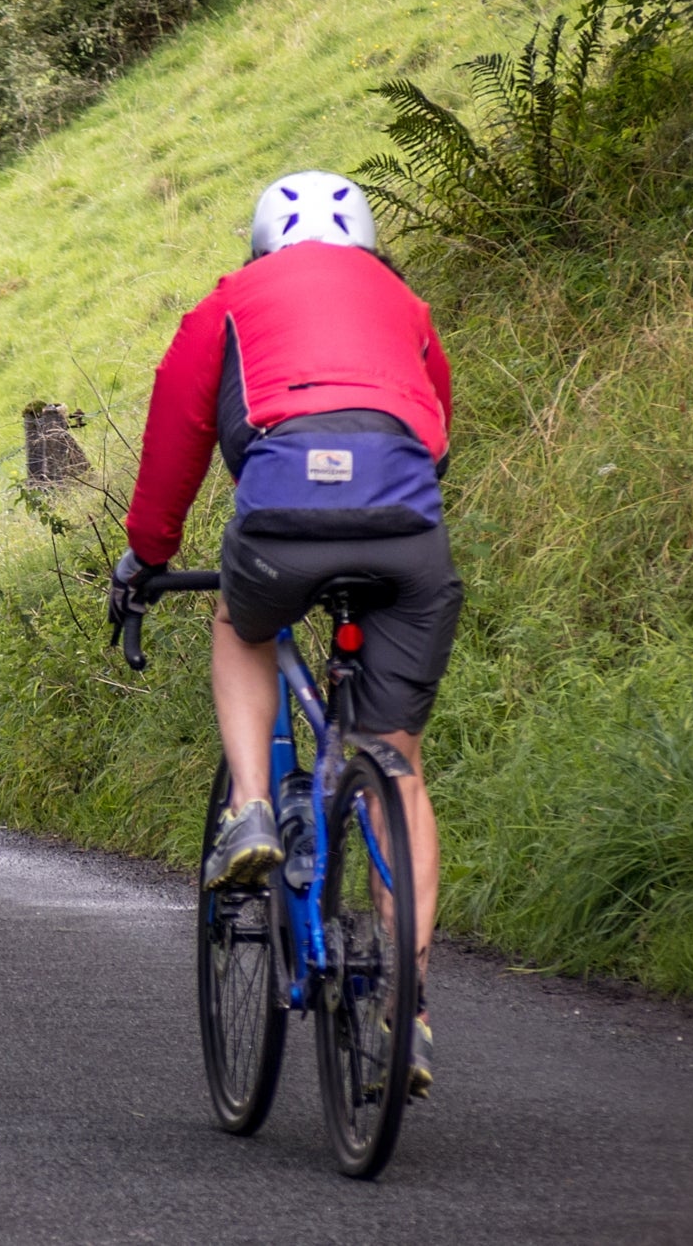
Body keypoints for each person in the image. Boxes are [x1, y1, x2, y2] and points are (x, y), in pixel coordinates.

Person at [108, 169, 459, 1095]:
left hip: (279, 525)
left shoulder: (227, 304)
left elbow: (176, 441)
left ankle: (253, 809)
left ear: (262, 244)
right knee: (399, 763)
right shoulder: (403, 300)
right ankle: (407, 1005)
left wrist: (146, 559)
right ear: (368, 244)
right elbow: (436, 427)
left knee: (239, 616)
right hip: (405, 532)